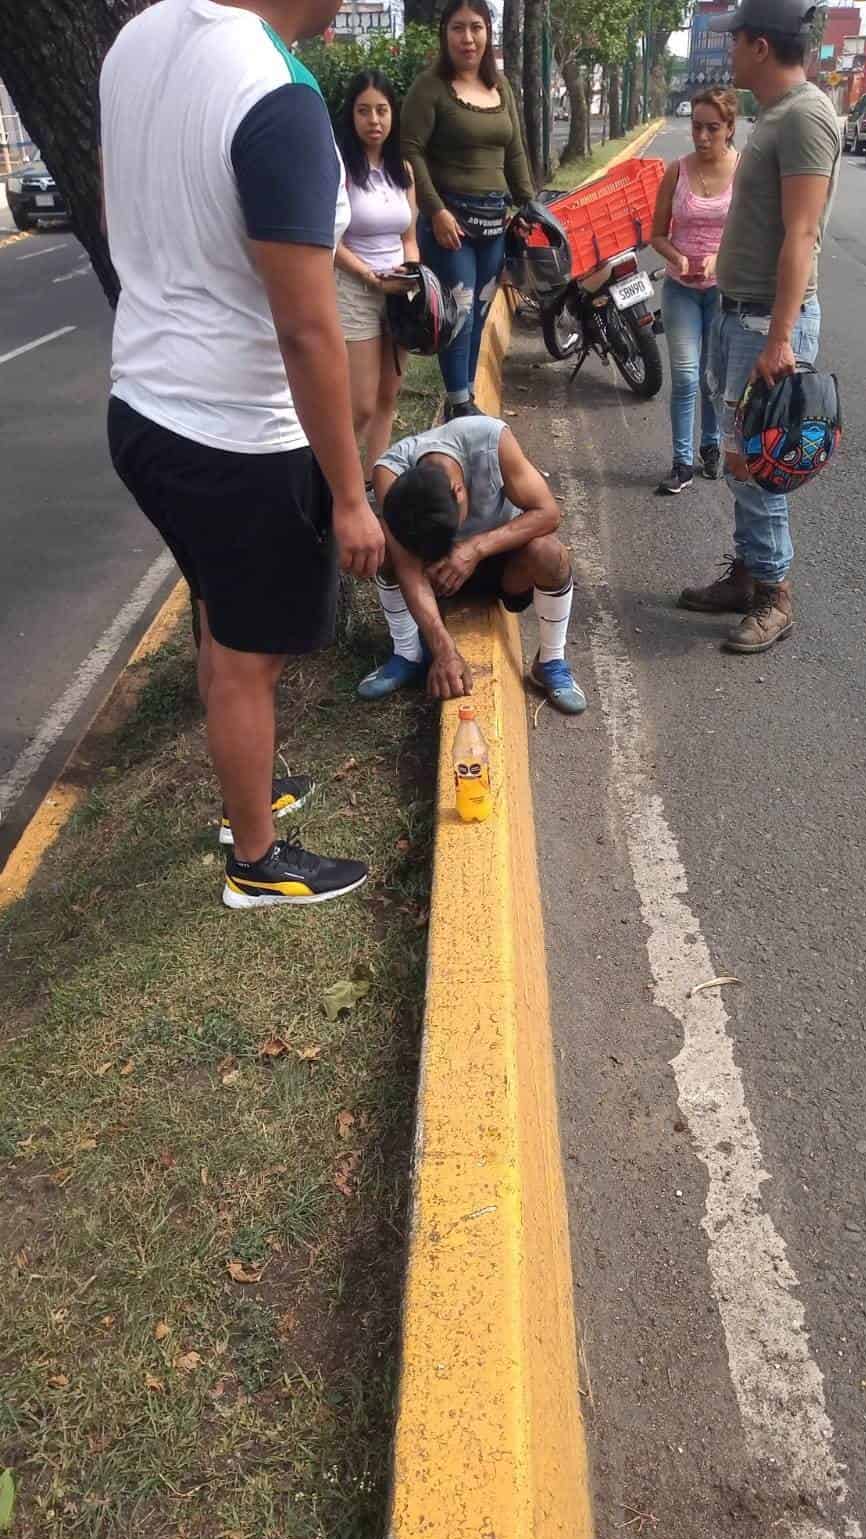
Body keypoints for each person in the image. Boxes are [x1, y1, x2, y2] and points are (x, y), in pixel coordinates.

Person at [101, 0, 384, 908]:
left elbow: (118, 206)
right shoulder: (275, 94)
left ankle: (245, 795)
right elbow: (308, 330)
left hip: (142, 405)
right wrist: (348, 493)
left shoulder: (137, 40)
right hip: (233, 432)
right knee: (247, 655)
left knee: (224, 615)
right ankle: (256, 860)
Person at [677, 0, 841, 653]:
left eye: (735, 40)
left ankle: (775, 595)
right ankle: (747, 574)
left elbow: (804, 231)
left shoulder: (804, 116)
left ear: (762, 47)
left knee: (764, 462)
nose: (728, 52)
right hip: (738, 312)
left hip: (767, 325)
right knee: (742, 458)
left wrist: (780, 336)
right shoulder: (779, 115)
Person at [356, 415, 587, 715]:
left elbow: (548, 513)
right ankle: (407, 654)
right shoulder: (390, 472)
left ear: (459, 490)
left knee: (550, 553)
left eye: (449, 533)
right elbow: (408, 568)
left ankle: (550, 661)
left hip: (503, 566)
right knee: (384, 546)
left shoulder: (491, 441)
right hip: (435, 576)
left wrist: (475, 548)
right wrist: (444, 651)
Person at [399, 0, 534, 421]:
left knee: (478, 310)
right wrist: (434, 211)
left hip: (495, 223)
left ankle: (465, 395)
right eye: (458, 28)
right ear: (446, 34)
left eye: (476, 27)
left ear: (488, 33)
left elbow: (514, 151)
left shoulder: (502, 88)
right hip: (449, 226)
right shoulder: (430, 88)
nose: (468, 38)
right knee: (455, 312)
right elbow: (410, 152)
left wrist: (529, 203)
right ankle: (459, 402)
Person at [651, 87, 739, 496]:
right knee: (686, 376)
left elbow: (750, 234)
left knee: (712, 379)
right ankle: (681, 461)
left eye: (712, 128)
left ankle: (711, 446)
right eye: (696, 127)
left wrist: (720, 257)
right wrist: (678, 257)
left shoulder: (743, 171)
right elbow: (656, 233)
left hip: (724, 291)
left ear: (730, 128)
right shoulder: (677, 170)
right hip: (680, 290)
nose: (702, 137)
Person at [334, 71, 419, 481]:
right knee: (360, 405)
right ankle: (339, 490)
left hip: (400, 292)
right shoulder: (341, 170)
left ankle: (377, 487)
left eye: (382, 110)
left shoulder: (403, 170)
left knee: (388, 396)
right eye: (364, 110)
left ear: (393, 116)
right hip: (355, 290)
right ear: (351, 116)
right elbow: (330, 244)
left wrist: (412, 272)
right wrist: (370, 277)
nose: (374, 120)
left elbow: (409, 236)